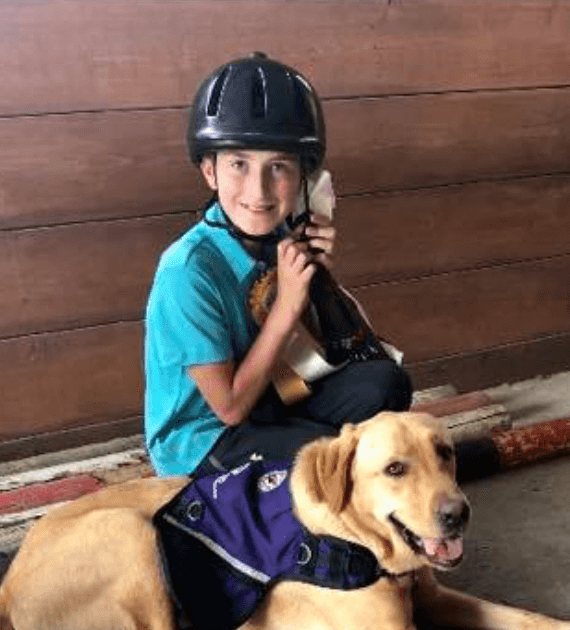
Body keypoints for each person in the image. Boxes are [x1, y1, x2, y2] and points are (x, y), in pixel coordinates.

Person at [144, 53, 413, 478]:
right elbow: (230, 409)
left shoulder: (280, 236)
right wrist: (287, 303)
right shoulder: (186, 271)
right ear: (209, 171)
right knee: (336, 459)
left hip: (275, 396)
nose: (259, 190)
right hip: (205, 438)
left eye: (279, 167)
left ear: (304, 179)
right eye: (239, 164)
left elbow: (356, 349)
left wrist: (320, 279)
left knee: (386, 383)